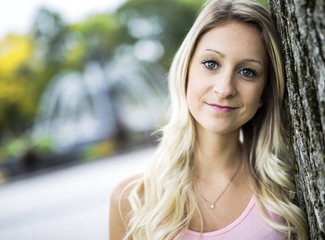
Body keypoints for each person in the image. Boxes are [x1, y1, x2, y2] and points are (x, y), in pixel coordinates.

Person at [109, 0, 308, 239]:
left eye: (247, 72)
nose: (225, 89)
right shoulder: (132, 200)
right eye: (211, 64)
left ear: (263, 93)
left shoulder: (287, 190)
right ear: (186, 70)